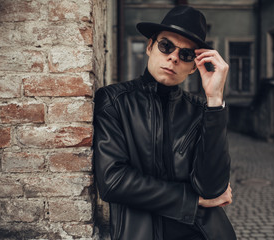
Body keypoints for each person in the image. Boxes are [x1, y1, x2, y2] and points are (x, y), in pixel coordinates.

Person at [93, 5, 236, 240]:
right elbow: (113, 180)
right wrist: (192, 200)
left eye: (186, 54)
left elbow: (212, 189)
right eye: (166, 46)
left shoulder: (202, 110)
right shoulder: (114, 101)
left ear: (193, 67)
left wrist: (215, 100)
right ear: (150, 47)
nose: (173, 57)